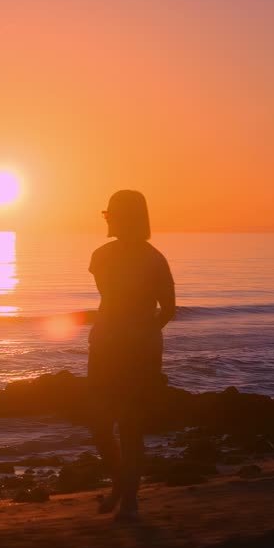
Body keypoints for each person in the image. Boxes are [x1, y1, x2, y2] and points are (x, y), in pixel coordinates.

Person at [87, 190, 176, 523]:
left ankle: (130, 498)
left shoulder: (154, 259)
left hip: (139, 349)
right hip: (104, 345)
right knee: (98, 423)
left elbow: (167, 309)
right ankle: (121, 484)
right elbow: (109, 302)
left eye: (114, 214)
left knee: (129, 424)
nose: (110, 220)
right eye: (109, 214)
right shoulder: (100, 256)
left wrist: (142, 334)